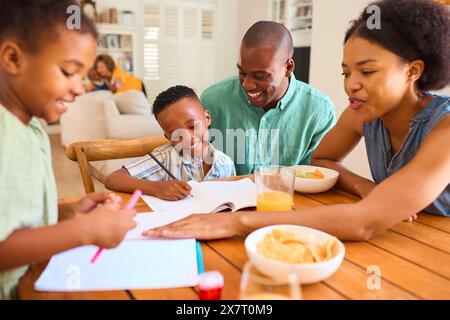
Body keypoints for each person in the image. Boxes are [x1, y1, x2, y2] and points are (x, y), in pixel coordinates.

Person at [142, 0, 449, 241]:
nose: (350, 84)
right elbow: (323, 159)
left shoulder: (445, 127)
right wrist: (363, 186)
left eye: (366, 72)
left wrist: (235, 222)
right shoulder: (362, 116)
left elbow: (364, 222)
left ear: (412, 72)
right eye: (346, 72)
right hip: (406, 235)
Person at [0, 0, 137, 300]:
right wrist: (85, 231)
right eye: (68, 72)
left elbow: (15, 217)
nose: (79, 88)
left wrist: (70, 213)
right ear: (12, 58)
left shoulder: (29, 127)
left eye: (83, 75)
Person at [201, 21, 336, 175]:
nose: (247, 85)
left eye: (260, 76)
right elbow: (189, 165)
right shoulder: (213, 100)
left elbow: (315, 177)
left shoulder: (320, 112)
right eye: (242, 73)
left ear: (288, 68)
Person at [105, 85, 236, 201]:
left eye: (192, 126)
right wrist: (158, 188)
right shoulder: (164, 158)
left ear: (207, 118)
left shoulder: (226, 163)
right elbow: (112, 179)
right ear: (168, 137)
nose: (188, 137)